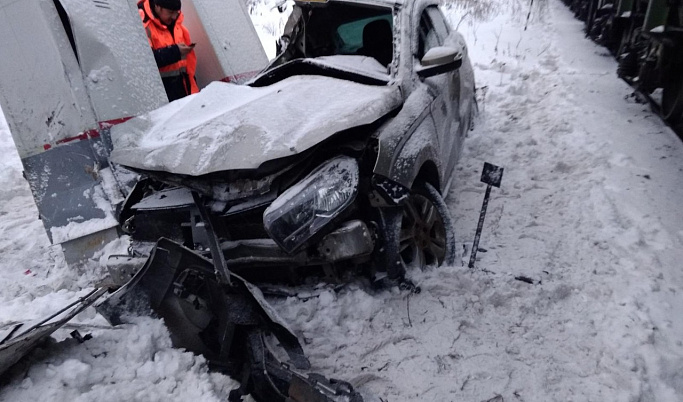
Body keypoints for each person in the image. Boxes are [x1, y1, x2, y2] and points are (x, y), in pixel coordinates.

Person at [137, 0, 199, 102]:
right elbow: (144, 61)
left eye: (176, 12)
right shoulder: (141, 23)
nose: (174, 16)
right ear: (157, 6)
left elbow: (188, 68)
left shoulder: (178, 25)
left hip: (185, 95)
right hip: (162, 101)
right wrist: (175, 52)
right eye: (170, 12)